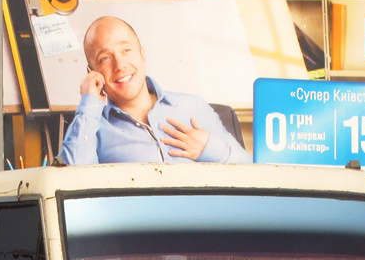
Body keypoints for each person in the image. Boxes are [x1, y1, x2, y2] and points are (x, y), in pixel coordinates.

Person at [57, 16, 252, 166]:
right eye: (105, 58)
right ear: (93, 72)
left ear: (142, 56)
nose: (120, 65)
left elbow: (251, 172)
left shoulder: (193, 107)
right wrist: (89, 103)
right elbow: (68, 186)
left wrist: (209, 149)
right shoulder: (91, 127)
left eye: (126, 50)